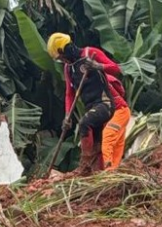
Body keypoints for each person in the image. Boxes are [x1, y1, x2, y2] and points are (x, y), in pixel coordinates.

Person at [47, 33, 131, 174]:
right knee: (97, 144)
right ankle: (99, 172)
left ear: (66, 49)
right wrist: (67, 115)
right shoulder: (69, 69)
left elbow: (116, 69)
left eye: (62, 57)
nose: (64, 61)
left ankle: (85, 164)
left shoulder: (90, 53)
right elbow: (69, 93)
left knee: (86, 125)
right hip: (91, 107)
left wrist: (98, 66)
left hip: (105, 103)